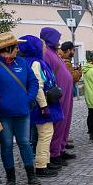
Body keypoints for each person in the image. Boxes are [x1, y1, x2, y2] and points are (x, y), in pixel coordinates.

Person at [0, 32, 41, 185]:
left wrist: (28, 99)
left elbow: (33, 82)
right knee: (6, 145)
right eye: (16, 47)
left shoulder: (21, 62)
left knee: (24, 143)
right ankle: (10, 178)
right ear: (8, 48)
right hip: (3, 115)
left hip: (23, 112)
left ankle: (31, 175)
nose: (18, 49)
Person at [19, 35, 63, 177]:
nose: (44, 48)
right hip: (41, 106)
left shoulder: (34, 61)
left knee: (46, 134)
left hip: (43, 104)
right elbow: (38, 86)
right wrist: (44, 106)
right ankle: (41, 166)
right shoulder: (36, 63)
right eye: (41, 46)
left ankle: (46, 162)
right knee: (45, 135)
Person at [40, 28, 77, 164]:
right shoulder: (46, 54)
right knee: (59, 123)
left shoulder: (54, 52)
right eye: (57, 39)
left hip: (65, 92)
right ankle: (54, 153)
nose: (59, 42)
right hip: (58, 93)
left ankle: (61, 148)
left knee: (65, 121)